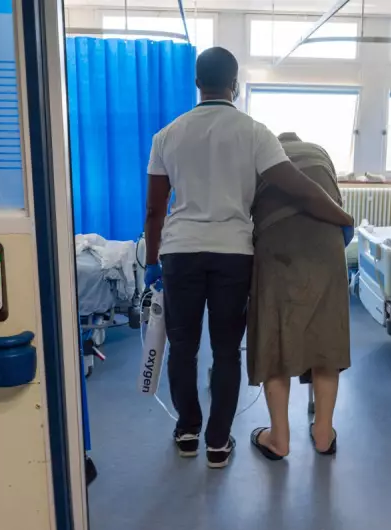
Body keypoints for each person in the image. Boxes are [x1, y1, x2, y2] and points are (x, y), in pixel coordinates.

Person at [142, 47, 354, 469]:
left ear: (197, 83)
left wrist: (152, 261)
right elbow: (297, 187)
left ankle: (188, 432)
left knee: (183, 347)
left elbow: (154, 209)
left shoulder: (166, 135)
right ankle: (218, 443)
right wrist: (343, 217)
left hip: (180, 253)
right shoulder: (255, 133)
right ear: (235, 85)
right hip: (233, 254)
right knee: (226, 351)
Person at [247, 133, 353, 460]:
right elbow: (332, 200)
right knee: (326, 340)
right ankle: (323, 434)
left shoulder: (260, 156)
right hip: (327, 244)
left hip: (276, 246)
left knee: (274, 341)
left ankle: (278, 438)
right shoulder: (320, 152)